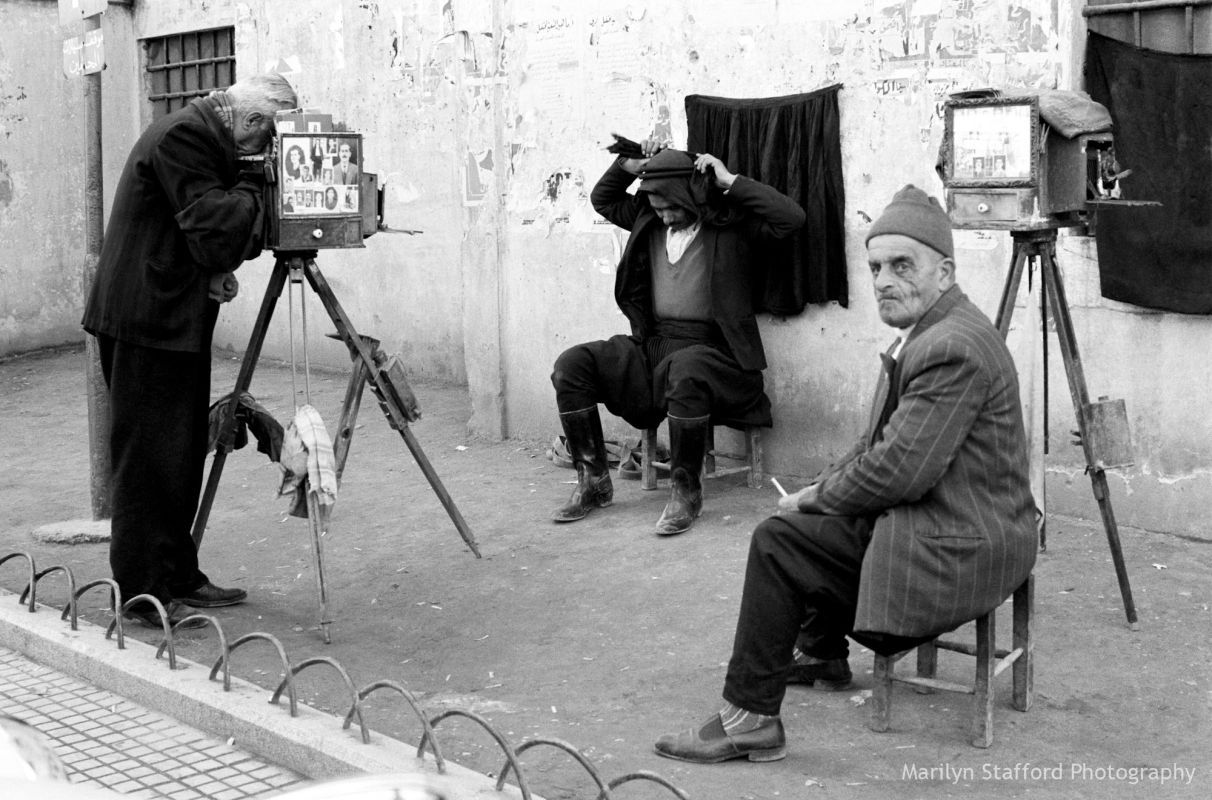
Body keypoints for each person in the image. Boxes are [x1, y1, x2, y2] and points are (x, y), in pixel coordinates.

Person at [653, 185, 1038, 763]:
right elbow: (876, 445)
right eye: (876, 267)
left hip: (967, 541)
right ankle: (822, 653)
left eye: (902, 266)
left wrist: (813, 500)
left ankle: (750, 718)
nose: (884, 280)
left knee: (780, 542)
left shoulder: (950, 347)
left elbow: (900, 473)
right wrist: (823, 486)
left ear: (944, 272)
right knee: (824, 519)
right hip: (963, 517)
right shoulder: (932, 331)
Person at [81, 73, 298, 629]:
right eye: (267, 138)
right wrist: (254, 183)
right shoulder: (185, 137)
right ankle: (142, 594)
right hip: (144, 320)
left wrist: (213, 268)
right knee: (146, 461)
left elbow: (194, 231)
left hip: (171, 316)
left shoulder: (201, 134)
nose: (265, 150)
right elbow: (217, 230)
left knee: (177, 454)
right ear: (252, 121)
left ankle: (178, 575)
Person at [549, 141, 805, 536]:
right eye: (657, 207)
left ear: (691, 196)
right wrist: (629, 165)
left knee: (686, 369)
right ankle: (593, 481)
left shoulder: (730, 225)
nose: (664, 215)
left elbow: (791, 218)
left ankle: (686, 493)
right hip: (654, 346)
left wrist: (729, 180)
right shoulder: (649, 218)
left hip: (717, 353)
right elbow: (604, 199)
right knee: (572, 365)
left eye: (671, 207)